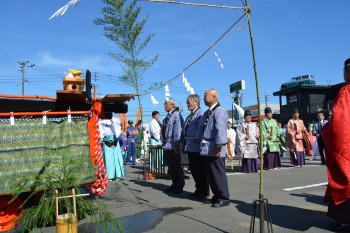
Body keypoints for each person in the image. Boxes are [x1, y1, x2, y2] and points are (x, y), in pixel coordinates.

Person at [323, 58, 350, 231]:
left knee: (345, 178)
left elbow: (339, 125)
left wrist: (326, 129)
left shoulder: (346, 91)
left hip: (347, 146)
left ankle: (345, 218)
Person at [198, 89, 230, 208]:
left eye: (205, 95)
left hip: (215, 147)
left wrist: (219, 146)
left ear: (214, 97)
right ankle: (216, 194)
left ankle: (224, 197)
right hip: (207, 148)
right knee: (211, 174)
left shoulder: (220, 111)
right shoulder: (208, 112)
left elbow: (220, 130)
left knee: (218, 173)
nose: (204, 97)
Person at [182, 94, 209, 200]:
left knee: (200, 170)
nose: (187, 104)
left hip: (197, 146)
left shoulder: (200, 113)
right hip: (190, 146)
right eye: (187, 102)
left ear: (196, 102)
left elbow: (200, 128)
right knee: (194, 169)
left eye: (189, 102)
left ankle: (203, 191)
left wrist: (194, 138)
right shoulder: (190, 115)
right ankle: (198, 189)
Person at [162, 98, 185, 194]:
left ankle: (179, 185)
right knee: (171, 166)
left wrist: (177, 145)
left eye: (166, 104)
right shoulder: (168, 116)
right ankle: (174, 183)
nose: (164, 105)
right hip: (168, 145)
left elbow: (178, 131)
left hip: (174, 145)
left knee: (176, 166)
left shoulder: (176, 115)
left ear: (172, 105)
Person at [99, 112, 125, 180]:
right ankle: (109, 176)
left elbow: (117, 130)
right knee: (108, 160)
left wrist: (112, 121)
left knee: (117, 159)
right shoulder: (101, 121)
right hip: (107, 141)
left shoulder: (115, 120)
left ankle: (117, 175)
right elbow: (101, 133)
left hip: (115, 141)